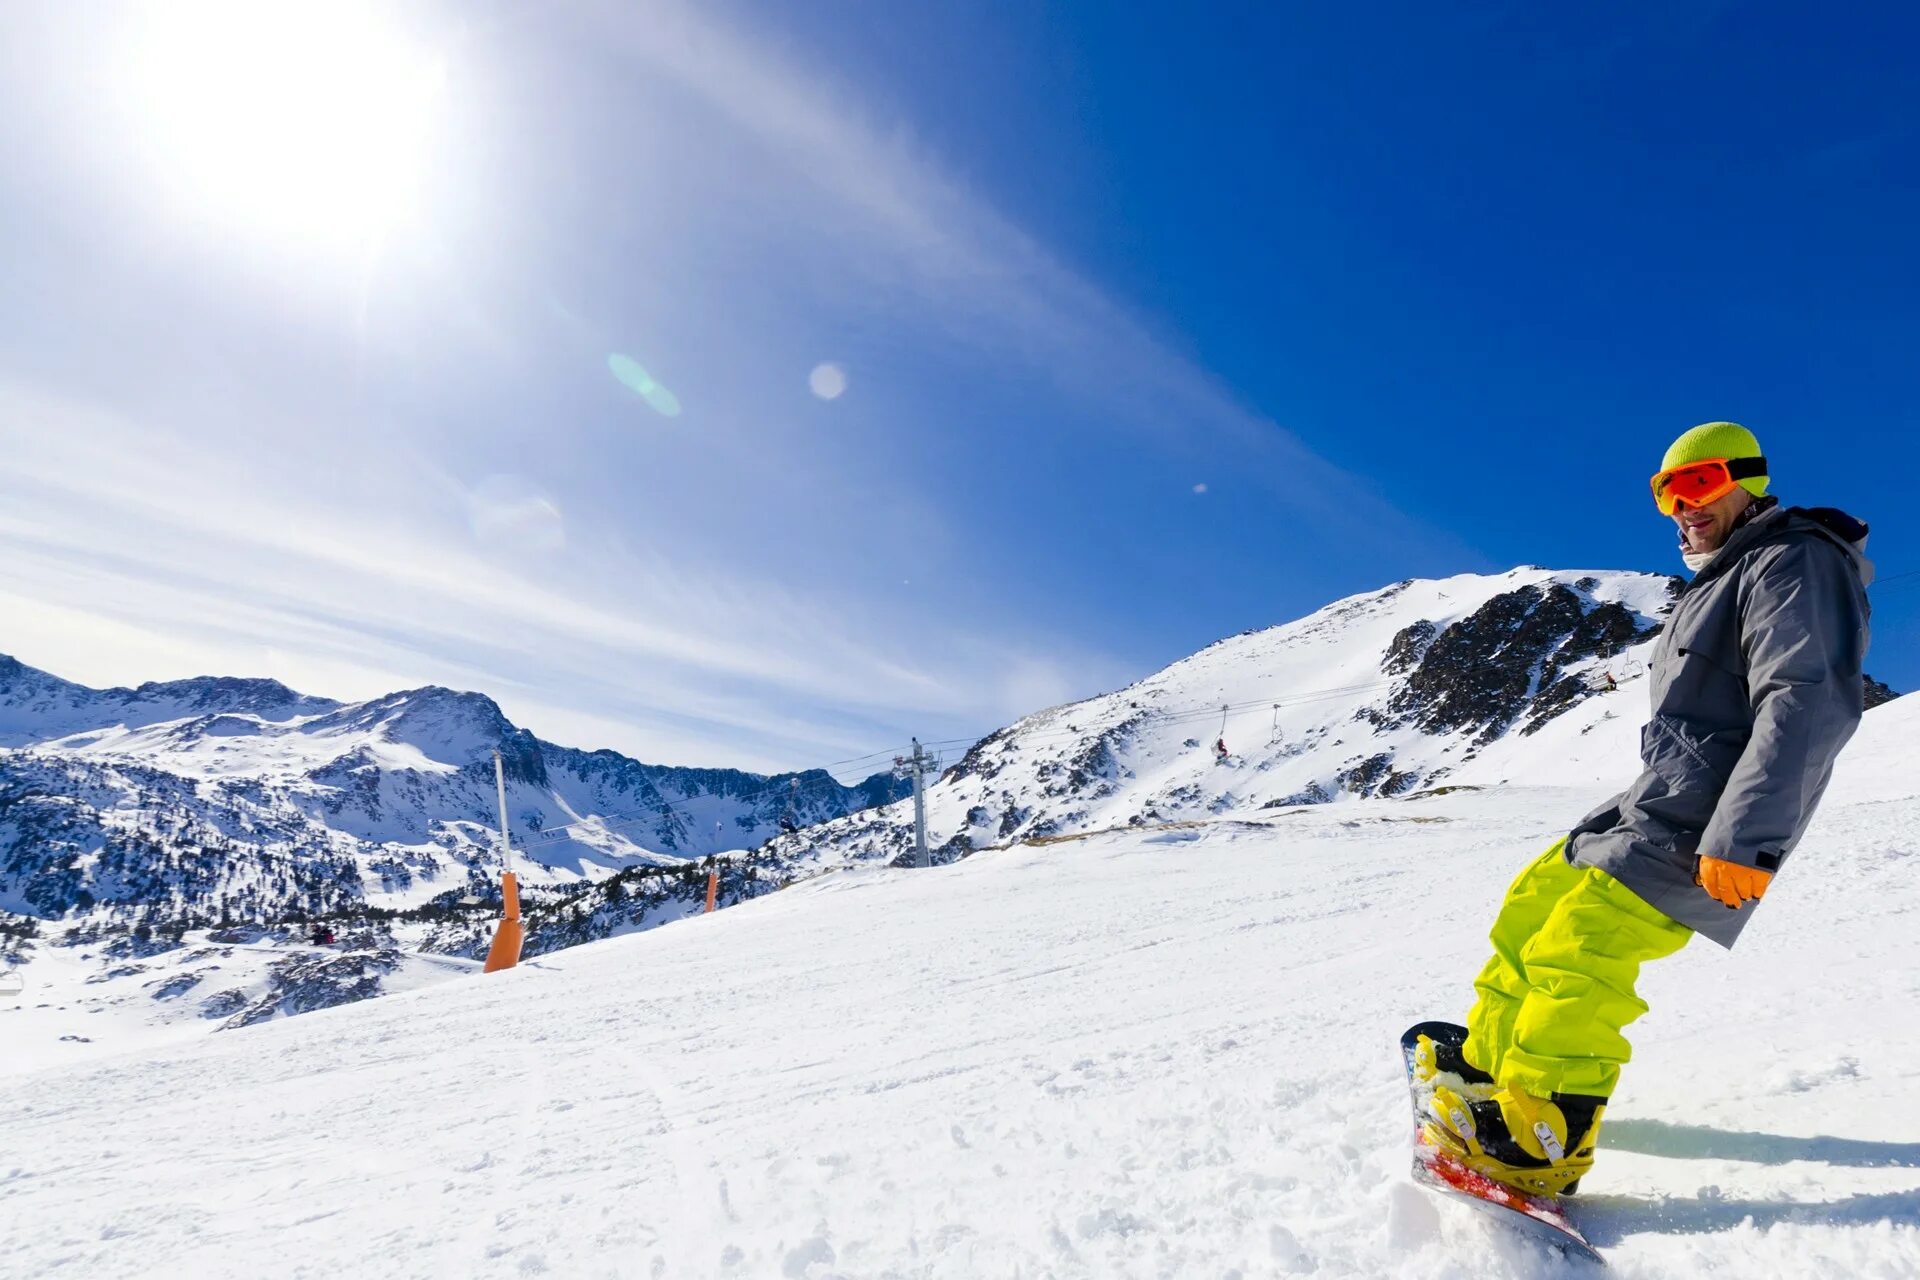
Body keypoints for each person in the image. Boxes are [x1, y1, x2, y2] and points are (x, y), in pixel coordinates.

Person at [1416, 422, 1872, 1195]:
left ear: (1750, 481)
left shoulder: (1793, 560)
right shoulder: (1723, 577)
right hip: (1657, 805)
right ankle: (1492, 1073)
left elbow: (1807, 700)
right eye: (1668, 491)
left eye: (1702, 483)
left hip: (1709, 824)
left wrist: (1748, 837)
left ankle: (1544, 1132)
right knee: (1536, 905)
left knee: (1583, 949)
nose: (1683, 506)